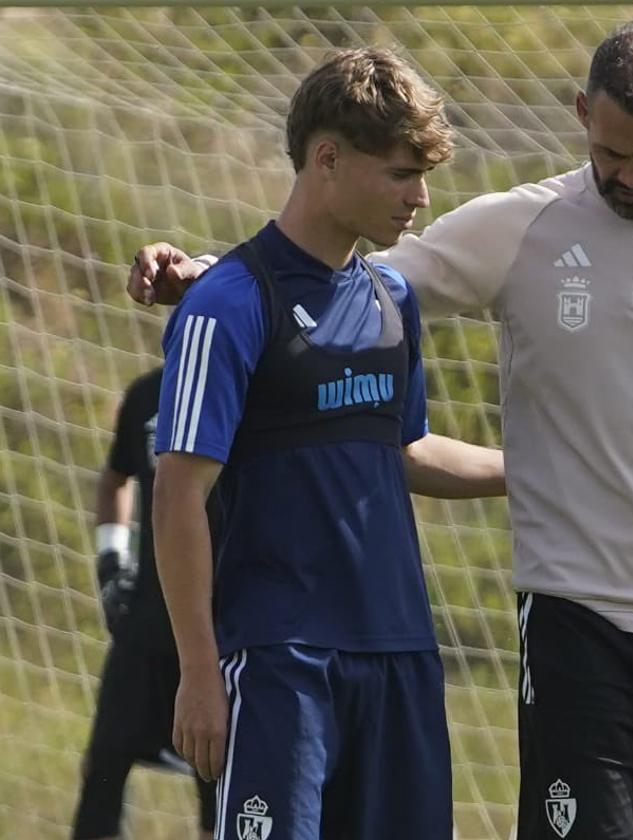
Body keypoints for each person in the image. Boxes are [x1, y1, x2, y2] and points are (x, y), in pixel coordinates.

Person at [130, 21, 633, 840]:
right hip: (560, 617)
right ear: (583, 114)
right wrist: (204, 271)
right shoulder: (522, 226)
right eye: (612, 152)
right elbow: (320, 279)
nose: (631, 175)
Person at [144, 48, 504, 839]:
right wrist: (200, 671)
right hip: (281, 661)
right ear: (328, 158)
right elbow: (177, 495)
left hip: (402, 654)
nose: (420, 197)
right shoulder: (227, 303)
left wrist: (535, 472)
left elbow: (405, 452)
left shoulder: (392, 298)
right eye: (402, 174)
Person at [72, 366, 216, 840]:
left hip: (217, 641)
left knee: (220, 794)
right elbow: (116, 476)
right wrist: (111, 561)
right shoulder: (149, 393)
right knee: (102, 771)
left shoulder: (251, 389)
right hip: (145, 632)